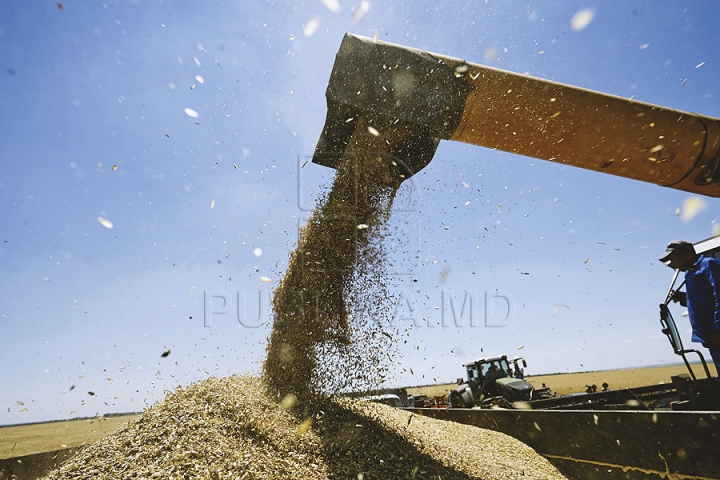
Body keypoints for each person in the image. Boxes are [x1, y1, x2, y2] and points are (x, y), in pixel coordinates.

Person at [660, 240, 720, 374]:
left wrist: (717, 327)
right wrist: (682, 298)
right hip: (710, 335)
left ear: (683, 254)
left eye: (672, 259)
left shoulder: (709, 265)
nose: (672, 264)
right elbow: (704, 299)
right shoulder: (690, 274)